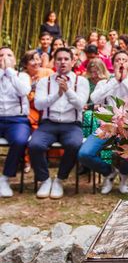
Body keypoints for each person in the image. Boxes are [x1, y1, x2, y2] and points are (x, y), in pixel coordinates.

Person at [78, 51, 128, 194]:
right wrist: (115, 81)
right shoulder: (105, 82)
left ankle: (124, 175)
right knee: (84, 153)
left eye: (124, 60)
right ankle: (108, 173)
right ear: (113, 64)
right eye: (118, 60)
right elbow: (95, 99)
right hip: (107, 127)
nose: (121, 62)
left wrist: (124, 80)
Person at [31, 48, 90, 199]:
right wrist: (57, 94)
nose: (62, 62)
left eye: (66, 59)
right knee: (35, 145)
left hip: (71, 125)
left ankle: (59, 180)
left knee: (74, 144)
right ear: (54, 61)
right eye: (59, 59)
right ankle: (44, 180)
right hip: (48, 124)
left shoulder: (81, 81)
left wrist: (68, 91)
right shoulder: (45, 82)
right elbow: (38, 105)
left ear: (72, 62)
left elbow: (80, 104)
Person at [0, 47, 31, 197]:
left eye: (8, 55)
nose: (4, 58)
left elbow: (24, 91)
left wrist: (10, 73)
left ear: (14, 60)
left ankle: (5, 178)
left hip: (17, 120)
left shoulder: (22, 76)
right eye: (1, 55)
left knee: (20, 140)